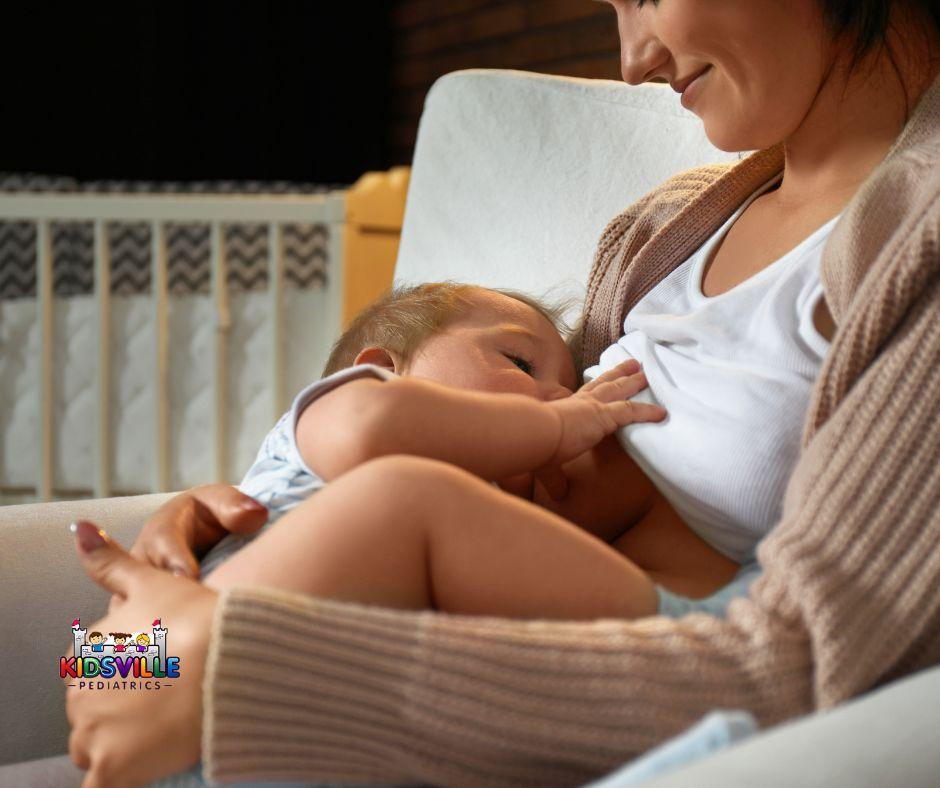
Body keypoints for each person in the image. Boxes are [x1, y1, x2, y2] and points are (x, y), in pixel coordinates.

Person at [64, 1, 940, 786]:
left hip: (546, 689)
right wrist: (210, 535)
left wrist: (250, 666)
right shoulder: (661, 229)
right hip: (406, 640)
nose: (632, 60)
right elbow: (504, 459)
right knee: (101, 669)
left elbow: (805, 668)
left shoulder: (917, 242)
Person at [188, 281, 743, 622]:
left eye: (568, 393)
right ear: (381, 368)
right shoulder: (335, 415)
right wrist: (553, 427)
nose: (555, 398)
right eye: (521, 364)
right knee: (104, 670)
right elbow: (369, 429)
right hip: (168, 650)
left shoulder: (466, 527)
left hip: (274, 713)